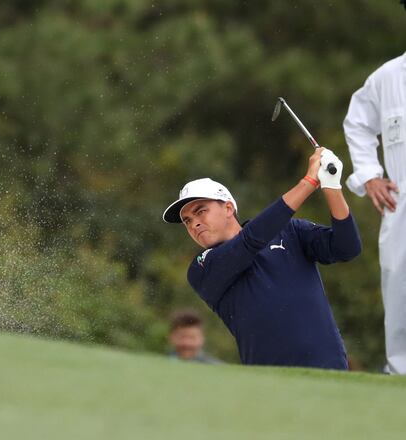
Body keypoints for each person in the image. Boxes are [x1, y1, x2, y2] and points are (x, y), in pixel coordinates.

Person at [162, 147, 361, 369]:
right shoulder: (201, 268)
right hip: (268, 382)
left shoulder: (290, 231)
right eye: (187, 220)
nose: (194, 223)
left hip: (329, 367)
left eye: (200, 211)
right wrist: (308, 183)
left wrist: (332, 187)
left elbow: (347, 247)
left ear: (228, 208)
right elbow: (250, 241)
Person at [344, 43, 406, 373]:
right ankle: (401, 372)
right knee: (399, 286)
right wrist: (369, 175)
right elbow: (358, 123)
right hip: (401, 202)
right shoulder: (387, 77)